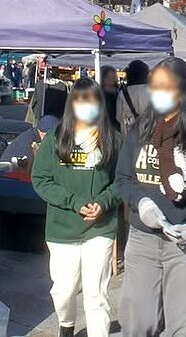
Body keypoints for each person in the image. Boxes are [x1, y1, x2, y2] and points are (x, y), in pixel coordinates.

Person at [115, 58, 186, 337]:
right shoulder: (141, 130)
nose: (158, 93)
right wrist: (140, 203)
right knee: (137, 323)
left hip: (184, 244)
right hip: (142, 239)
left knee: (185, 325)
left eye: (166, 87)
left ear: (182, 90)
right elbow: (123, 179)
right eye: (155, 87)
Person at [31, 78, 121, 337]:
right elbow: (41, 179)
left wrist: (103, 203)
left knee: (96, 294)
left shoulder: (113, 139)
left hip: (100, 228)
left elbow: (123, 180)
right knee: (63, 289)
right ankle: (66, 324)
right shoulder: (56, 139)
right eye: (81, 101)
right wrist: (75, 202)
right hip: (62, 229)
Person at [116, 60, 150, 135]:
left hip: (129, 136)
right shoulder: (153, 92)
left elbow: (118, 117)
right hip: (150, 134)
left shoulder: (123, 93)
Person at [100, 65, 119, 130]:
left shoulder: (119, 92)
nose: (111, 79)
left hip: (117, 127)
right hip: (105, 127)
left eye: (113, 77)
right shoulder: (99, 94)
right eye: (108, 77)